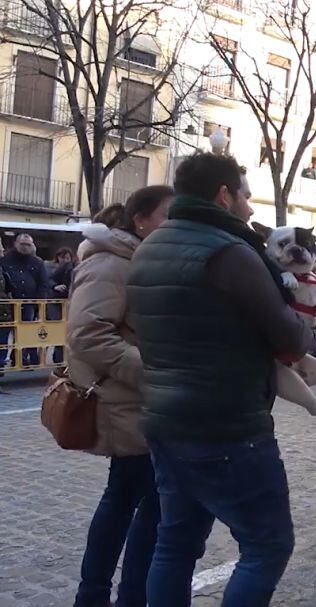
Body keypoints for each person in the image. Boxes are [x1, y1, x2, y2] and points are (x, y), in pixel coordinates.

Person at [126, 153, 311, 606]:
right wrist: (305, 313)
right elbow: (290, 338)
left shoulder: (150, 245)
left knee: (175, 542)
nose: (250, 209)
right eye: (245, 196)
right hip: (227, 425)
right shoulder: (230, 251)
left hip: (166, 419)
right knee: (267, 545)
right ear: (224, 195)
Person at [69, 187, 173, 607]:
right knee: (143, 502)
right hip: (128, 402)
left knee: (132, 499)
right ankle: (114, 596)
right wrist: (152, 375)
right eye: (168, 215)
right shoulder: (112, 263)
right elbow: (88, 334)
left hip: (142, 403)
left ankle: (100, 596)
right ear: (140, 220)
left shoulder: (139, 261)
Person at [1, 233, 51, 367]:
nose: (25, 247)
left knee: (26, 334)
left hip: (29, 304)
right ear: (16, 244)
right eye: (22, 244)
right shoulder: (5, 259)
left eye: (28, 245)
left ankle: (21, 360)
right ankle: (3, 363)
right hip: (7, 305)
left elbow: (43, 284)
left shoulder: (37, 262)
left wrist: (38, 303)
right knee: (4, 335)